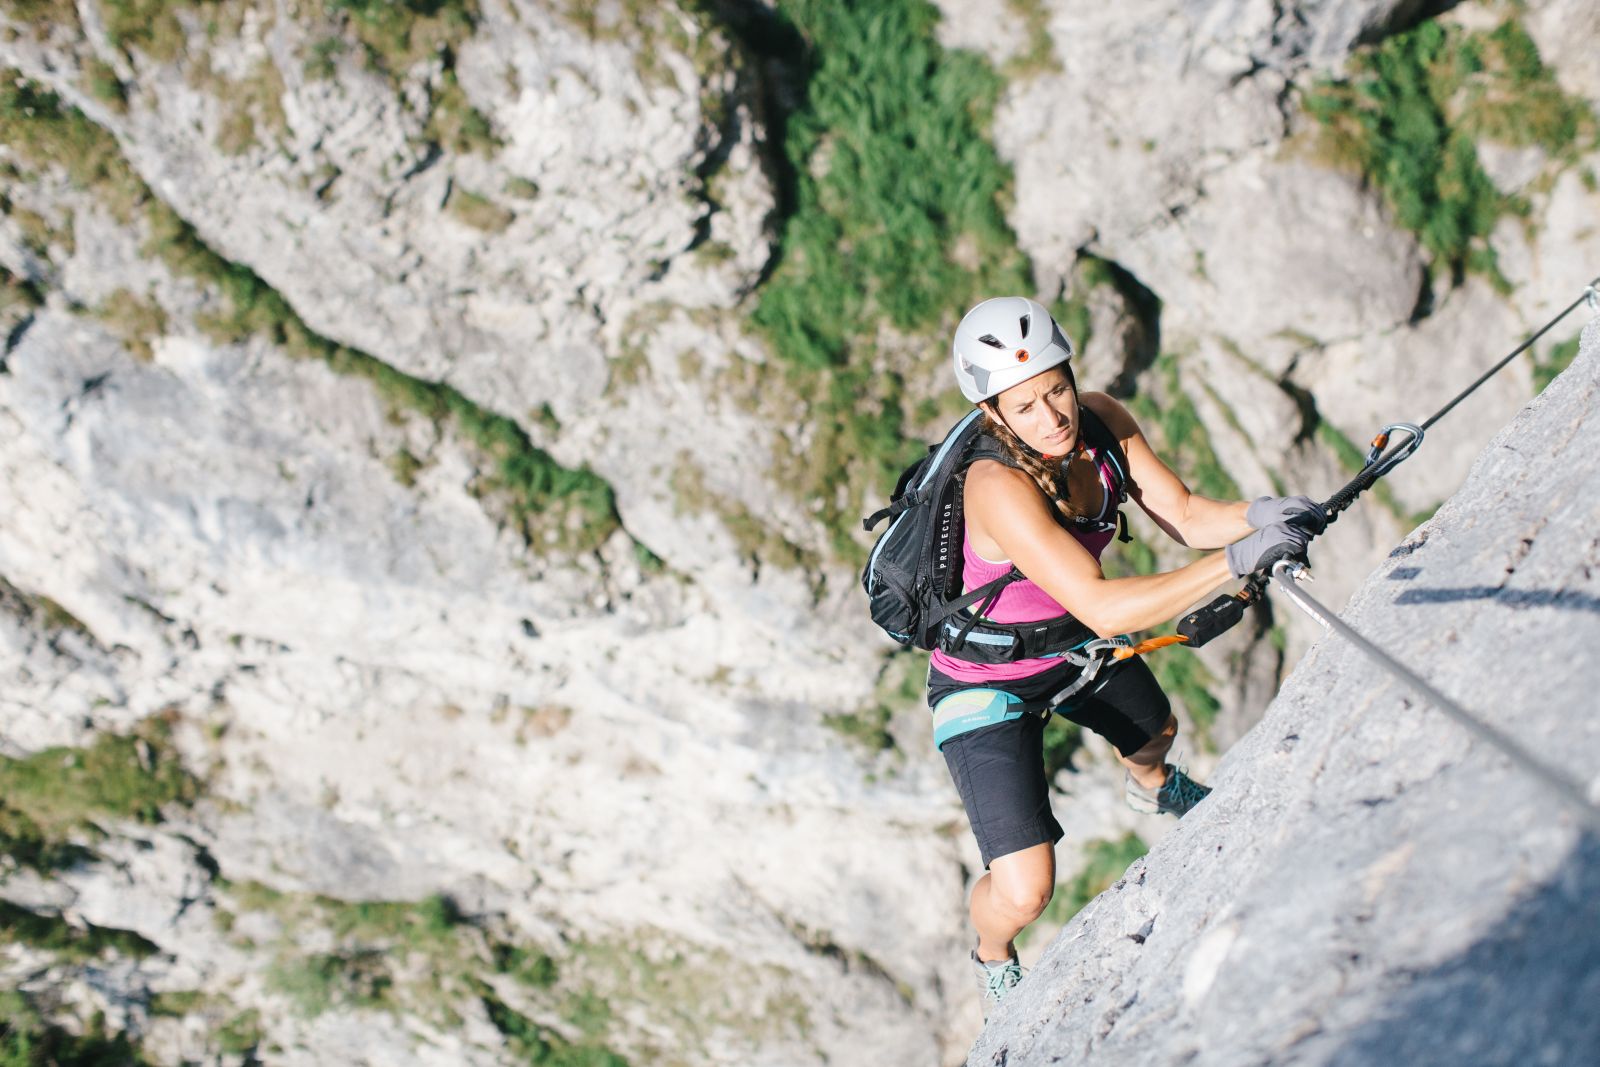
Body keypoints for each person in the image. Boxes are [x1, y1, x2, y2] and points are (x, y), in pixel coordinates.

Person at [933, 297, 1319, 1014]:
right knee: (1025, 888)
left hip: (1069, 647)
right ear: (995, 414)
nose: (1052, 415)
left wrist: (1266, 513)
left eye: (1056, 388)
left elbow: (1184, 513)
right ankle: (990, 952)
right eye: (1026, 406)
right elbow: (1104, 606)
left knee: (1157, 733)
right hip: (984, 678)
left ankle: (1150, 787)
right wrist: (1239, 559)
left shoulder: (1103, 422)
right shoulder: (997, 486)